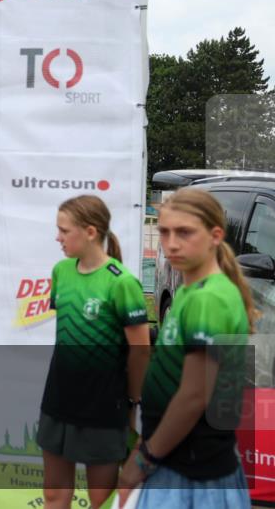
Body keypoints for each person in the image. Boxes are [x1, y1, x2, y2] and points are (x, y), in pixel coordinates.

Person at [119, 188, 253, 508]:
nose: (171, 243)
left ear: (215, 235)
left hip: (192, 475)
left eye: (185, 232)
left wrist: (143, 461)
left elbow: (194, 395)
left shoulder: (210, 298)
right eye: (164, 232)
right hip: (178, 463)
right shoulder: (191, 290)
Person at [39, 195, 150, 509]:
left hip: (103, 406)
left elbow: (140, 350)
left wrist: (132, 401)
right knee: (54, 495)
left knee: (101, 500)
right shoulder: (61, 271)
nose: (57, 237)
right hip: (58, 399)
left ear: (90, 232)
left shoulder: (122, 282)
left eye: (64, 230)